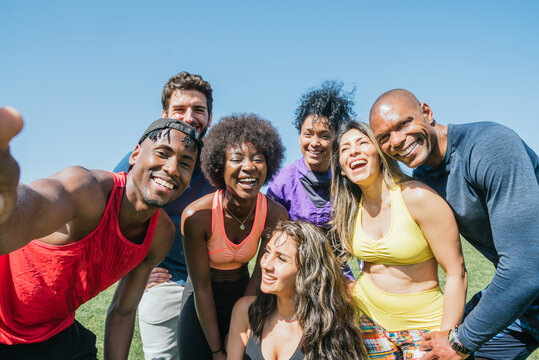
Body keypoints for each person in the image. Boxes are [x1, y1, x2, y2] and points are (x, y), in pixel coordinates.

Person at [0, 107, 203, 359]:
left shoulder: (160, 234)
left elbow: (123, 311)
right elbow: (33, 209)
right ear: (135, 154)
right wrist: (8, 204)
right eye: (163, 153)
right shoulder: (87, 191)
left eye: (185, 164)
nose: (173, 169)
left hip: (57, 333)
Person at [369, 89, 539, 359]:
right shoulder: (424, 176)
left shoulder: (491, 147)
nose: (398, 141)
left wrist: (460, 341)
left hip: (525, 284)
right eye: (384, 138)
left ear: (427, 112)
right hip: (525, 309)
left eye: (403, 124)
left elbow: (526, 268)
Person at [330, 121, 467, 359]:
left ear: (380, 154)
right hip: (367, 322)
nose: (353, 151)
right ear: (341, 168)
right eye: (345, 149)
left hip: (423, 327)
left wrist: (447, 335)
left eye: (363, 143)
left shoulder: (417, 197)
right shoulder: (349, 209)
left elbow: (457, 272)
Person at [114, 71, 214, 360]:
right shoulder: (145, 157)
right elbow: (114, 211)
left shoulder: (217, 162)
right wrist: (133, 269)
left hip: (210, 280)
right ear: (164, 114)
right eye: (179, 109)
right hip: (164, 279)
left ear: (209, 116)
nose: (189, 117)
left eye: (199, 110)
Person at [178, 113, 288, 360]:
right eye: (236, 159)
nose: (248, 166)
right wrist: (217, 350)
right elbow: (201, 286)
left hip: (244, 292)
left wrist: (241, 323)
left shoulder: (275, 214)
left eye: (258, 159)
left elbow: (261, 272)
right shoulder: (197, 216)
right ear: (220, 166)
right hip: (200, 297)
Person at [227, 220, 368, 360]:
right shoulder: (245, 312)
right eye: (267, 251)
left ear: (308, 271)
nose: (265, 264)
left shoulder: (330, 326)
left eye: (281, 258)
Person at [266, 81, 355, 279]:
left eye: (324, 136)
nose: (314, 143)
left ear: (337, 139)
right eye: (308, 134)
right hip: (294, 276)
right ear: (299, 136)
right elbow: (271, 242)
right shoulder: (283, 183)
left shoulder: (349, 179)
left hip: (338, 275)